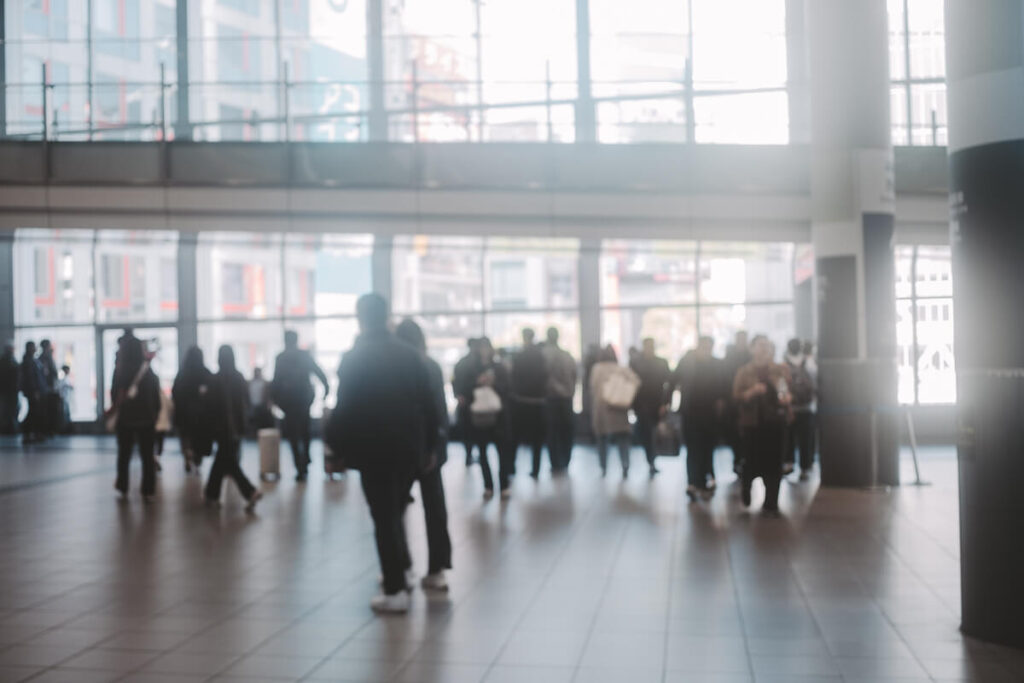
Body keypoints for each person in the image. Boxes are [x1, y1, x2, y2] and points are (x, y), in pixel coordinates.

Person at [327, 294, 438, 613]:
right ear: (387, 315)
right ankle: (403, 569)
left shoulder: (354, 358)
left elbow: (344, 408)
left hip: (372, 450)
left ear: (360, 317)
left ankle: (395, 589)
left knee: (383, 516)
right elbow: (428, 406)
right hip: (408, 450)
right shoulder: (409, 355)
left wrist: (335, 448)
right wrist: (430, 447)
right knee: (396, 510)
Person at [395, 318, 453, 591]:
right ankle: (436, 569)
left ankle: (400, 566)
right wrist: (436, 447)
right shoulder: (431, 366)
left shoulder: (393, 367)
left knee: (393, 510)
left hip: (401, 448)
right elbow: (440, 412)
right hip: (429, 449)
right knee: (435, 509)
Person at [733, 335, 792, 515]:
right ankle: (747, 487)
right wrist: (752, 392)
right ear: (752, 349)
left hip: (775, 423)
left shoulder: (779, 370)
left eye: (767, 345)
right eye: (760, 345)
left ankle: (771, 502)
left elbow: (785, 392)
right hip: (752, 423)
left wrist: (786, 398)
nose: (764, 349)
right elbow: (736, 396)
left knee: (774, 463)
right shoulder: (744, 371)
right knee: (751, 461)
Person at [205, 345, 262, 511]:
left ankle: (249, 492)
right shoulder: (239, 377)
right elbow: (247, 401)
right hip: (237, 426)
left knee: (228, 462)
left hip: (220, 427)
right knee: (225, 460)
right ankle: (211, 494)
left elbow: (209, 406)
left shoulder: (214, 380)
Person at [271, 330, 329, 482]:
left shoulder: (281, 358)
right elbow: (319, 372)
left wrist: (274, 400)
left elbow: (276, 381)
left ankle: (300, 466)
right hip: (304, 398)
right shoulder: (304, 355)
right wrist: (326, 390)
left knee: (293, 435)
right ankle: (306, 458)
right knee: (304, 429)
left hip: (289, 401)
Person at [109, 335, 161, 501]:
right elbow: (156, 397)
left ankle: (123, 486)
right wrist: (154, 415)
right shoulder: (147, 371)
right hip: (146, 420)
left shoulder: (120, 371)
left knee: (124, 455)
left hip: (125, 420)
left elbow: (114, 395)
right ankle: (148, 491)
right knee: (147, 456)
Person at [675, 336, 725, 500]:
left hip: (710, 414)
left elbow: (723, 387)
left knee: (707, 448)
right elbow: (674, 380)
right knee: (693, 448)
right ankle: (693, 482)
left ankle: (704, 480)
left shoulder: (717, 365)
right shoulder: (687, 363)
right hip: (691, 413)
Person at [469, 337, 513, 499]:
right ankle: (488, 485)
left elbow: (507, 389)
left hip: (498, 417)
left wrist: (493, 384)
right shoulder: (473, 368)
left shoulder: (499, 368)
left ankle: (504, 485)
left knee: (502, 453)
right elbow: (466, 390)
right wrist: (477, 383)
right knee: (482, 453)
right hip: (480, 418)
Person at [590, 345, 638, 478]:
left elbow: (592, 388)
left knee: (602, 440)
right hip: (618, 409)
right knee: (622, 440)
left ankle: (603, 466)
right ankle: (625, 464)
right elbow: (636, 381)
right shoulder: (621, 369)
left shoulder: (597, 369)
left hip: (601, 409)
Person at [630, 338, 671, 476]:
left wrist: (665, 403)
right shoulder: (636, 363)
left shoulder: (661, 363)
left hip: (656, 403)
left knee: (652, 433)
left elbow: (668, 384)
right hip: (641, 404)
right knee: (647, 433)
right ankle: (651, 460)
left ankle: (652, 459)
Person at [510, 328, 548, 479]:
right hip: (538, 403)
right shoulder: (540, 356)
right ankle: (536, 469)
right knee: (537, 440)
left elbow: (513, 377)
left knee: (516, 437)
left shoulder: (519, 356)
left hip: (521, 402)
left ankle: (511, 466)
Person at [172, 347, 215, 474]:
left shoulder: (182, 373)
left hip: (183, 414)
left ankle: (187, 453)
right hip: (202, 416)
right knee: (199, 438)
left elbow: (175, 393)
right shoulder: (206, 373)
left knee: (185, 437)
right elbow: (213, 394)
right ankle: (197, 458)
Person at [543, 327, 577, 473]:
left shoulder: (543, 355)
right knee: (566, 431)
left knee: (552, 431)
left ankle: (555, 461)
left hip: (550, 399)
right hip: (566, 398)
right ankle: (565, 459)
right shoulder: (567, 356)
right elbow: (575, 376)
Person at [783, 338, 817, 480]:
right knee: (804, 439)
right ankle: (805, 466)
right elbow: (815, 380)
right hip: (805, 407)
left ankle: (790, 463)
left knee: (792, 438)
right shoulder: (808, 362)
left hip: (792, 406)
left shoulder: (784, 362)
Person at [723, 331, 753, 475]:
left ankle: (746, 460)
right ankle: (738, 460)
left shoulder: (751, 357)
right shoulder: (730, 358)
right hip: (734, 403)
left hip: (750, 404)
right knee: (734, 433)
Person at [452, 338, 482, 466]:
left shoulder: (461, 362)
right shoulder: (478, 363)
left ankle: (468, 455)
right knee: (476, 430)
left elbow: (454, 381)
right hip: (474, 401)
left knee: (467, 431)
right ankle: (475, 454)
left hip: (464, 401)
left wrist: (458, 395)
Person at [19, 341, 45, 445]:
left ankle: (31, 433)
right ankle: (28, 433)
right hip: (32, 391)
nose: (35, 349)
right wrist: (34, 390)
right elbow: (30, 378)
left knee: (34, 411)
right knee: (33, 412)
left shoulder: (33, 360)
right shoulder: (28, 361)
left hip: (35, 390)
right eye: (33, 347)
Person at [37, 339, 60, 437]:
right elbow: (47, 374)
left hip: (49, 388)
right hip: (47, 389)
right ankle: (47, 430)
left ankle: (49, 430)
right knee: (47, 410)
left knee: (50, 410)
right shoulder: (44, 358)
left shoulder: (47, 357)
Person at [0, 343, 20, 435]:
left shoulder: (13, 360)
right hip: (6, 390)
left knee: (13, 409)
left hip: (13, 390)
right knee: (6, 410)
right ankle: (6, 429)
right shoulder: (4, 361)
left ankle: (11, 428)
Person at [248, 367, 274, 433]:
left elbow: (268, 395)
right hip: (253, 404)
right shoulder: (250, 383)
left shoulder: (265, 383)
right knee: (254, 422)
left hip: (262, 405)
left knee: (262, 422)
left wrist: (269, 404)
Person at [57, 365, 74, 434]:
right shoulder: (63, 379)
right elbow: (61, 388)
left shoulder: (66, 378)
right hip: (64, 398)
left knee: (67, 414)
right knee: (65, 414)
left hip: (67, 398)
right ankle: (65, 429)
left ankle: (67, 429)